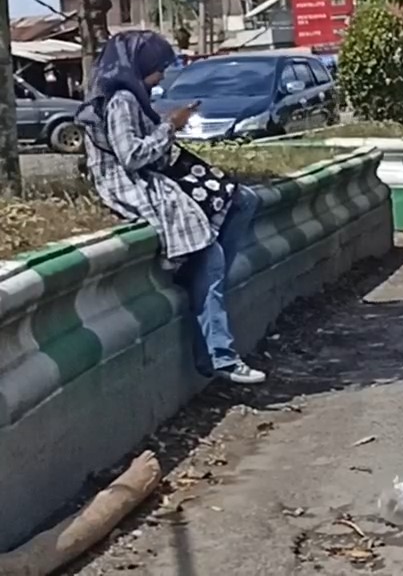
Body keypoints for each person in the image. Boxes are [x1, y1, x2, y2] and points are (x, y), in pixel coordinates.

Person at [77, 31, 267, 386]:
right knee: (209, 257)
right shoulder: (121, 101)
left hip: (158, 177)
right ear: (141, 66)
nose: (162, 76)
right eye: (158, 68)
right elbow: (131, 157)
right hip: (137, 187)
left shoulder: (132, 98)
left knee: (241, 202)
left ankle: (205, 293)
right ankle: (220, 355)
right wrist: (169, 127)